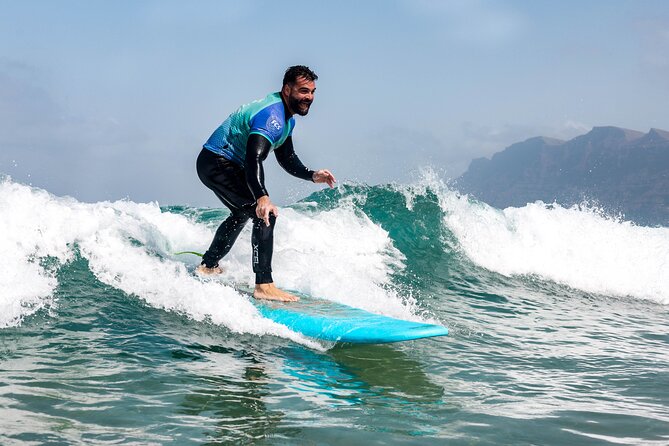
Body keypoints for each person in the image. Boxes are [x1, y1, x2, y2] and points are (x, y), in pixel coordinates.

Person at [195, 65, 336, 302]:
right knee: (264, 214)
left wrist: (312, 175)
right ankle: (264, 285)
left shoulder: (286, 119)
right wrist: (262, 197)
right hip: (216, 163)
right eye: (303, 91)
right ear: (287, 89)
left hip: (226, 164)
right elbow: (254, 158)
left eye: (312, 92)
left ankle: (208, 265)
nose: (309, 97)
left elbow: (287, 158)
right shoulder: (272, 116)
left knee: (242, 213)